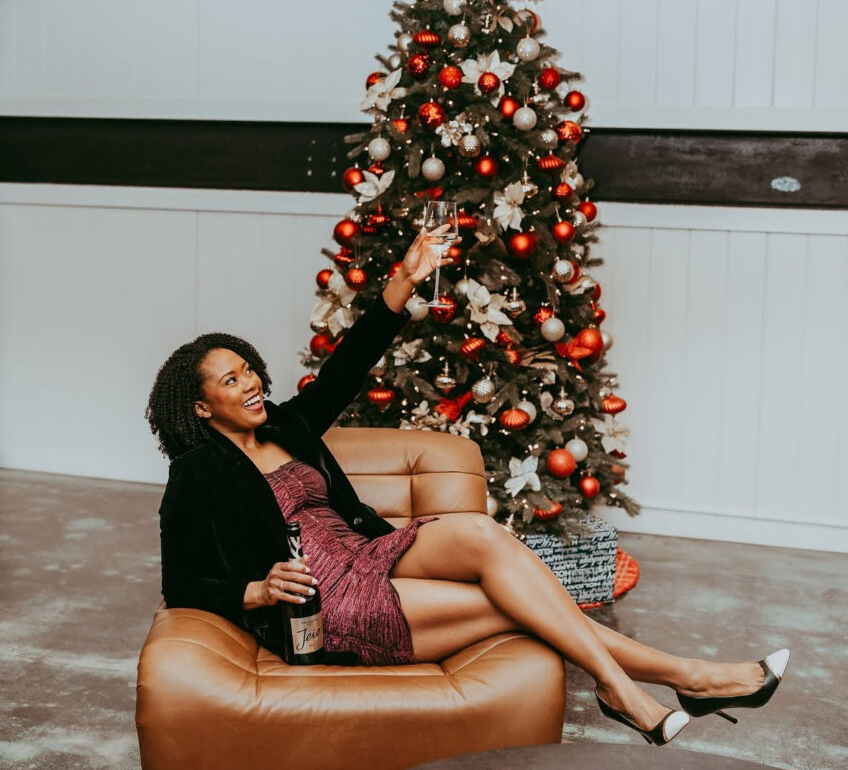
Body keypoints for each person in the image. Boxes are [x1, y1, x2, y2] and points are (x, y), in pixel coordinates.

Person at [146, 229, 789, 748]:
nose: (252, 383)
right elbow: (182, 582)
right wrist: (258, 590)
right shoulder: (197, 475)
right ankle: (678, 679)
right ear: (201, 408)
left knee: (481, 532)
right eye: (230, 381)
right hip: (327, 603)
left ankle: (654, 684)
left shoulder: (287, 424)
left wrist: (405, 278)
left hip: (369, 552)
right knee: (517, 606)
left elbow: (348, 364)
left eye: (249, 369)